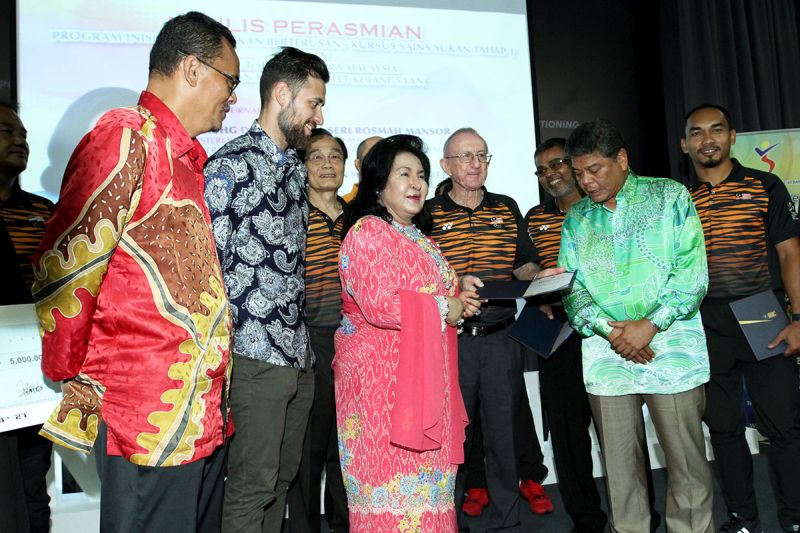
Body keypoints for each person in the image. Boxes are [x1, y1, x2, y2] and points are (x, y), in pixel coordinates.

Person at [32, 11, 238, 532]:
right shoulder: (126, 139)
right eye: (229, 80)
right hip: (144, 415)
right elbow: (67, 263)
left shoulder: (188, 159)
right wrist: (77, 376)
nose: (233, 96)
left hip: (201, 414)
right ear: (193, 69)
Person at [559, 119, 713, 533]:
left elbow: (692, 276)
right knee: (621, 477)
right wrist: (613, 333)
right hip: (608, 361)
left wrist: (650, 325)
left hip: (672, 352)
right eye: (578, 173)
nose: (586, 182)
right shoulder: (576, 220)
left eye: (595, 170)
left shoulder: (670, 197)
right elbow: (571, 290)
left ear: (622, 159)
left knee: (688, 466)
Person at [204, 46, 328, 533]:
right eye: (314, 102)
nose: (320, 115)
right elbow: (205, 269)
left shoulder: (296, 170)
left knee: (282, 480)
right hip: (253, 358)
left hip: (298, 358)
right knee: (252, 483)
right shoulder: (228, 167)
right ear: (282, 94)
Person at [334, 134, 477, 531]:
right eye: (404, 174)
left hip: (427, 388)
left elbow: (439, 299)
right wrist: (440, 306)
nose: (416, 183)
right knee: (392, 505)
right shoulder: (368, 232)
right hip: (382, 395)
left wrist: (459, 298)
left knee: (429, 502)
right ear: (379, 185)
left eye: (422, 175)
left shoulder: (424, 241)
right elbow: (381, 304)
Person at [427, 127, 559, 531]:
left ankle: (506, 521)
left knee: (504, 435)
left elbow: (523, 263)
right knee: (452, 439)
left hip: (500, 338)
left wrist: (542, 276)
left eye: (481, 155)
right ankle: (444, 518)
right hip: (450, 342)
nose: (474, 163)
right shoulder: (428, 212)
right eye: (465, 156)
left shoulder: (507, 206)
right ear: (446, 165)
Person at [682, 104, 800, 533]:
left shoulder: (765, 185)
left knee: (784, 426)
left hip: (762, 314)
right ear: (685, 143)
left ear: (733, 137)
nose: (707, 140)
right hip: (706, 323)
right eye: (697, 133)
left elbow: (790, 253)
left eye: (716, 130)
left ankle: (795, 518)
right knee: (725, 430)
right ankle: (742, 518)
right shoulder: (679, 197)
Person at [526, 137, 607, 533]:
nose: (550, 174)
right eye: (542, 169)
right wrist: (535, 282)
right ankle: (587, 521)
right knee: (567, 435)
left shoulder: (603, 208)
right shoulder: (534, 218)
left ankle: (638, 516)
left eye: (557, 164)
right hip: (557, 333)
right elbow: (521, 267)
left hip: (607, 331)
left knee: (617, 432)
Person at [287, 128, 349, 533]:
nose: (327, 165)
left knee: (346, 447)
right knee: (308, 449)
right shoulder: (291, 214)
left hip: (354, 342)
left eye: (335, 157)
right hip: (307, 341)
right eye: (317, 157)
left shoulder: (359, 218)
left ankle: (347, 524)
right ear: (302, 165)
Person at [0, 101, 54, 533]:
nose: (19, 141)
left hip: (30, 375)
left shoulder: (44, 210)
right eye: (6, 131)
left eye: (24, 135)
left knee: (33, 483)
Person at [342, 136, 381, 203]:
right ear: (358, 164)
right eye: (371, 157)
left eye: (384, 157)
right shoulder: (343, 205)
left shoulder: (399, 204)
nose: (378, 161)